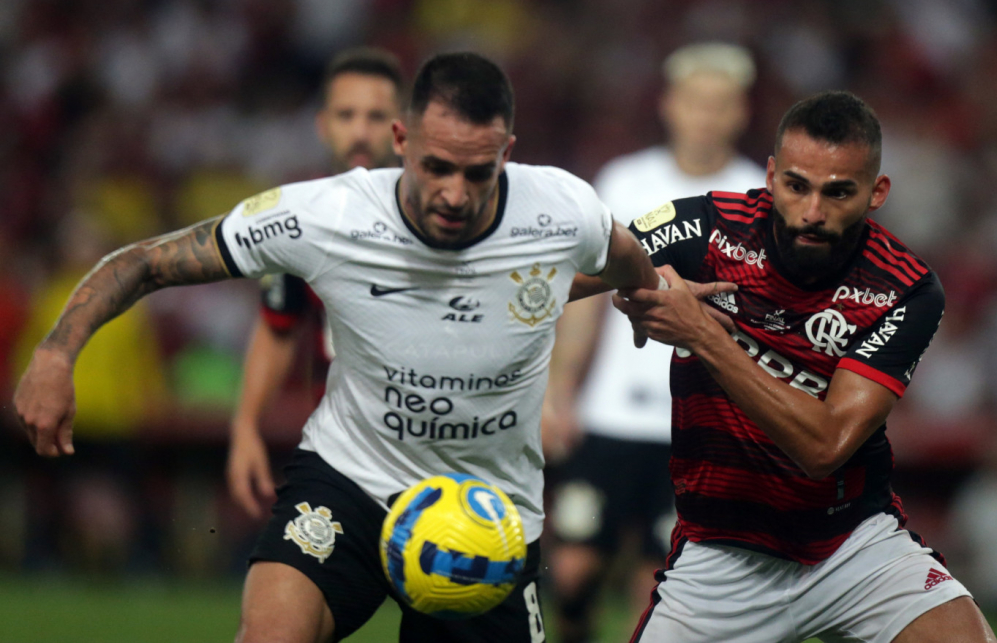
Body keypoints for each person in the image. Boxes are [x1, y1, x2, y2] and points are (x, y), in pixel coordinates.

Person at [14, 52, 732, 643]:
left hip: (486, 510)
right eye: (436, 168)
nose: (454, 193)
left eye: (478, 174)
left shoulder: (561, 206)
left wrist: (646, 302)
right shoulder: (323, 216)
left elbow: (620, 257)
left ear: (507, 154)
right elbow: (147, 261)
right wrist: (54, 353)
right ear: (400, 141)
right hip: (351, 480)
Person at [602, 91, 995, 642]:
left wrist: (700, 334)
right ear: (770, 176)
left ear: (876, 192)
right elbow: (575, 268)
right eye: (796, 186)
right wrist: (637, 283)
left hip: (853, 547)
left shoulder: (905, 289)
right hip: (721, 557)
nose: (812, 212)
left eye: (838, 192)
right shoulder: (708, 226)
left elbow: (824, 447)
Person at [544, 42, 765, 643]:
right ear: (670, 105)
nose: (706, 116)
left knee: (662, 585)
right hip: (610, 413)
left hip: (695, 419)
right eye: (696, 101)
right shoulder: (624, 180)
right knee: (570, 571)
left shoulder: (756, 198)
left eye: (720, 104)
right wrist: (559, 390)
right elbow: (583, 300)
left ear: (740, 111)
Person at [227, 48, 405, 519]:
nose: (361, 131)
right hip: (344, 456)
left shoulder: (446, 210)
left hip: (446, 450)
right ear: (323, 124)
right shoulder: (302, 220)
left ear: (403, 125)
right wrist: (246, 426)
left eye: (377, 116)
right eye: (347, 115)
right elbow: (278, 324)